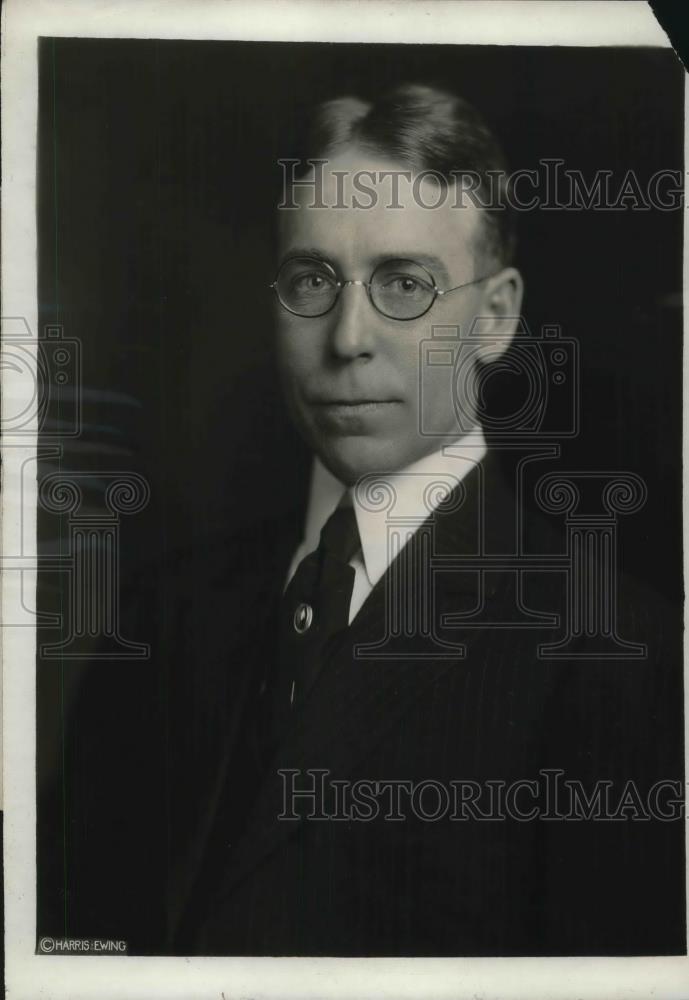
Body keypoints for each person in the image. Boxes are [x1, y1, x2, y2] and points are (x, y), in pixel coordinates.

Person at [173, 85, 683, 956]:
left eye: (404, 284)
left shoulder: (618, 649)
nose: (347, 338)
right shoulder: (167, 607)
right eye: (311, 281)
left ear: (495, 317)